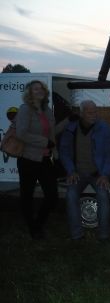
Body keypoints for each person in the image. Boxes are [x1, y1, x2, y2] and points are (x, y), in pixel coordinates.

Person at [59, 100, 110, 241]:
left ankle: (104, 235)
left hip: (98, 174)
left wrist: (105, 174)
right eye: (90, 112)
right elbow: (64, 152)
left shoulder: (104, 128)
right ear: (81, 113)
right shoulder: (71, 128)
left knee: (103, 196)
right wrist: (70, 171)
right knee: (70, 195)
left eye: (95, 111)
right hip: (78, 173)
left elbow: (109, 153)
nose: (93, 115)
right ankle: (77, 235)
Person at [15, 80, 58, 239]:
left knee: (52, 195)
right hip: (28, 159)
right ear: (29, 92)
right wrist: (44, 142)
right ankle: (33, 228)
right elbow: (21, 133)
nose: (39, 91)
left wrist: (55, 150)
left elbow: (51, 133)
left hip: (45, 158)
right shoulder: (25, 109)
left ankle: (38, 224)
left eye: (41, 88)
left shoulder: (46, 109)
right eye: (35, 89)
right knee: (27, 195)